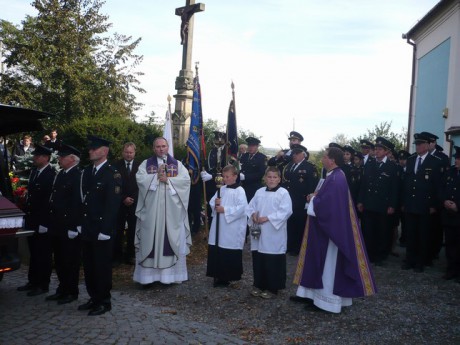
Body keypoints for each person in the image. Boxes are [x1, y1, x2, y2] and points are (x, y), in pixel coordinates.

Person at [292, 147, 376, 313]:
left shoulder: (337, 178)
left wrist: (314, 199)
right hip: (325, 230)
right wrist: (316, 196)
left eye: (324, 157)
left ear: (332, 160)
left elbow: (329, 205)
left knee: (328, 267)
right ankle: (311, 296)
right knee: (318, 262)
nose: (322, 159)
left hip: (331, 234)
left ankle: (327, 302)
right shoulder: (334, 176)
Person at [133, 137, 192, 285]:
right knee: (149, 239)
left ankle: (170, 277)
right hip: (151, 212)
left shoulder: (177, 165)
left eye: (163, 146)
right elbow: (140, 179)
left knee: (170, 238)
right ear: (153, 148)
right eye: (158, 146)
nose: (161, 149)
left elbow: (186, 182)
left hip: (171, 212)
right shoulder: (145, 164)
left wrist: (169, 180)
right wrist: (155, 177)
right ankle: (148, 278)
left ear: (167, 147)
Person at [78, 135, 122, 316]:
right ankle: (93, 297)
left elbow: (113, 204)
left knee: (101, 266)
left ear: (104, 151)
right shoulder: (87, 171)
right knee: (89, 266)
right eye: (90, 148)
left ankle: (104, 301)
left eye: (94, 148)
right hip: (88, 227)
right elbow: (83, 202)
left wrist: (105, 229)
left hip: (102, 229)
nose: (90, 151)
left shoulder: (113, 174)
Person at [247, 166, 293, 299]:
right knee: (259, 257)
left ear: (279, 179)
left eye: (275, 177)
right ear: (265, 178)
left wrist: (267, 218)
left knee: (272, 259)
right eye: (269, 177)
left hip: (274, 232)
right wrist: (253, 215)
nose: (272, 180)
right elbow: (250, 207)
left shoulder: (283, 193)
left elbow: (286, 211)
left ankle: (273, 287)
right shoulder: (259, 191)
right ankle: (259, 284)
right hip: (259, 231)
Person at [17, 144, 56, 296]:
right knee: (34, 251)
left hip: (43, 221)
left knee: (43, 253)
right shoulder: (34, 172)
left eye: (37, 156)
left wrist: (45, 223)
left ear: (46, 158)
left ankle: (43, 284)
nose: (34, 158)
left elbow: (49, 201)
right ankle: (33, 281)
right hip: (32, 218)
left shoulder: (51, 174)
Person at [46, 144, 82, 304]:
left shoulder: (78, 175)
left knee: (70, 261)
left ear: (72, 159)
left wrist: (75, 226)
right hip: (57, 224)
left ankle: (71, 291)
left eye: (63, 157)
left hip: (69, 225)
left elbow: (78, 203)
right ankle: (62, 288)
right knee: (59, 260)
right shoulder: (60, 174)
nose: (59, 159)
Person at [401, 133, 442, 273]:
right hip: (411, 203)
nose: (417, 146)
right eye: (416, 144)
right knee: (410, 234)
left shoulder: (435, 161)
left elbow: (437, 186)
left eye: (420, 144)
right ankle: (409, 260)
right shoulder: (411, 160)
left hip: (425, 205)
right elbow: (407, 182)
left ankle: (420, 262)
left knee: (423, 235)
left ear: (426, 145)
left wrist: (433, 205)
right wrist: (404, 202)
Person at [357, 137, 399, 265]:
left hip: (383, 205)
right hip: (369, 204)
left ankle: (380, 255)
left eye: (380, 149)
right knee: (368, 231)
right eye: (376, 149)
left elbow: (395, 188)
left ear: (386, 151)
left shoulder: (392, 167)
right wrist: (360, 201)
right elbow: (363, 185)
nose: (377, 151)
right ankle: (369, 254)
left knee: (382, 231)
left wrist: (392, 205)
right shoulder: (369, 164)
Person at [207, 165, 248, 287]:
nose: (225, 179)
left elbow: (243, 208)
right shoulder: (221, 189)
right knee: (217, 248)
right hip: (219, 226)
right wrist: (215, 204)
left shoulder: (240, 191)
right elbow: (212, 202)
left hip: (231, 228)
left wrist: (225, 209)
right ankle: (217, 275)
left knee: (227, 250)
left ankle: (228, 277)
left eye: (228, 176)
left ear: (235, 176)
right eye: (224, 177)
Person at [282, 144, 318, 255]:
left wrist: (309, 200)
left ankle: (297, 248)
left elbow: (312, 184)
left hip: (301, 200)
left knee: (299, 225)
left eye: (297, 154)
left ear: (303, 155)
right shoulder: (289, 166)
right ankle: (289, 245)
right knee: (289, 223)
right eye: (294, 154)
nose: (295, 156)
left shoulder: (309, 167)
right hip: (289, 199)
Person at [113, 142, 140, 266]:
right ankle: (117, 256)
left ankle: (130, 255)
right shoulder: (115, 166)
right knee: (118, 230)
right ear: (122, 152)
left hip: (135, 203)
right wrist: (123, 198)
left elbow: (142, 185)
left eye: (131, 152)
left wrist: (132, 198)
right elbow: (114, 185)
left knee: (133, 230)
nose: (129, 154)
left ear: (134, 152)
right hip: (119, 203)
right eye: (126, 152)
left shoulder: (141, 166)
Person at [440, 146, 460, 281]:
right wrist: (444, 201)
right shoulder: (450, 172)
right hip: (449, 215)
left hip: (458, 213)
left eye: (458, 159)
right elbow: (441, 188)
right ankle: (451, 269)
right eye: (456, 158)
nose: (456, 161)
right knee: (450, 244)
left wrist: (458, 206)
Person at [239, 137, 267, 202]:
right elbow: (240, 168)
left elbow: (261, 173)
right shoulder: (244, 156)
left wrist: (246, 177)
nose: (251, 148)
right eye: (249, 146)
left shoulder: (262, 157)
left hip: (254, 187)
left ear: (257, 146)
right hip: (242, 186)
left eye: (253, 146)